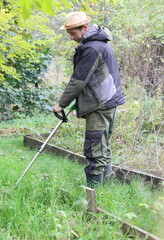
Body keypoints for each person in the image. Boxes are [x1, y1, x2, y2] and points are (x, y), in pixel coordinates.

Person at [53, 12, 125, 188]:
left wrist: (60, 104)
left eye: (73, 33)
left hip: (100, 103)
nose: (71, 37)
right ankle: (106, 189)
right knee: (103, 145)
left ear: (85, 28)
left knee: (94, 149)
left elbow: (79, 80)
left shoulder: (92, 48)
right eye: (68, 33)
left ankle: (94, 196)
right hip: (107, 100)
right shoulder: (99, 44)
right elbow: (92, 79)